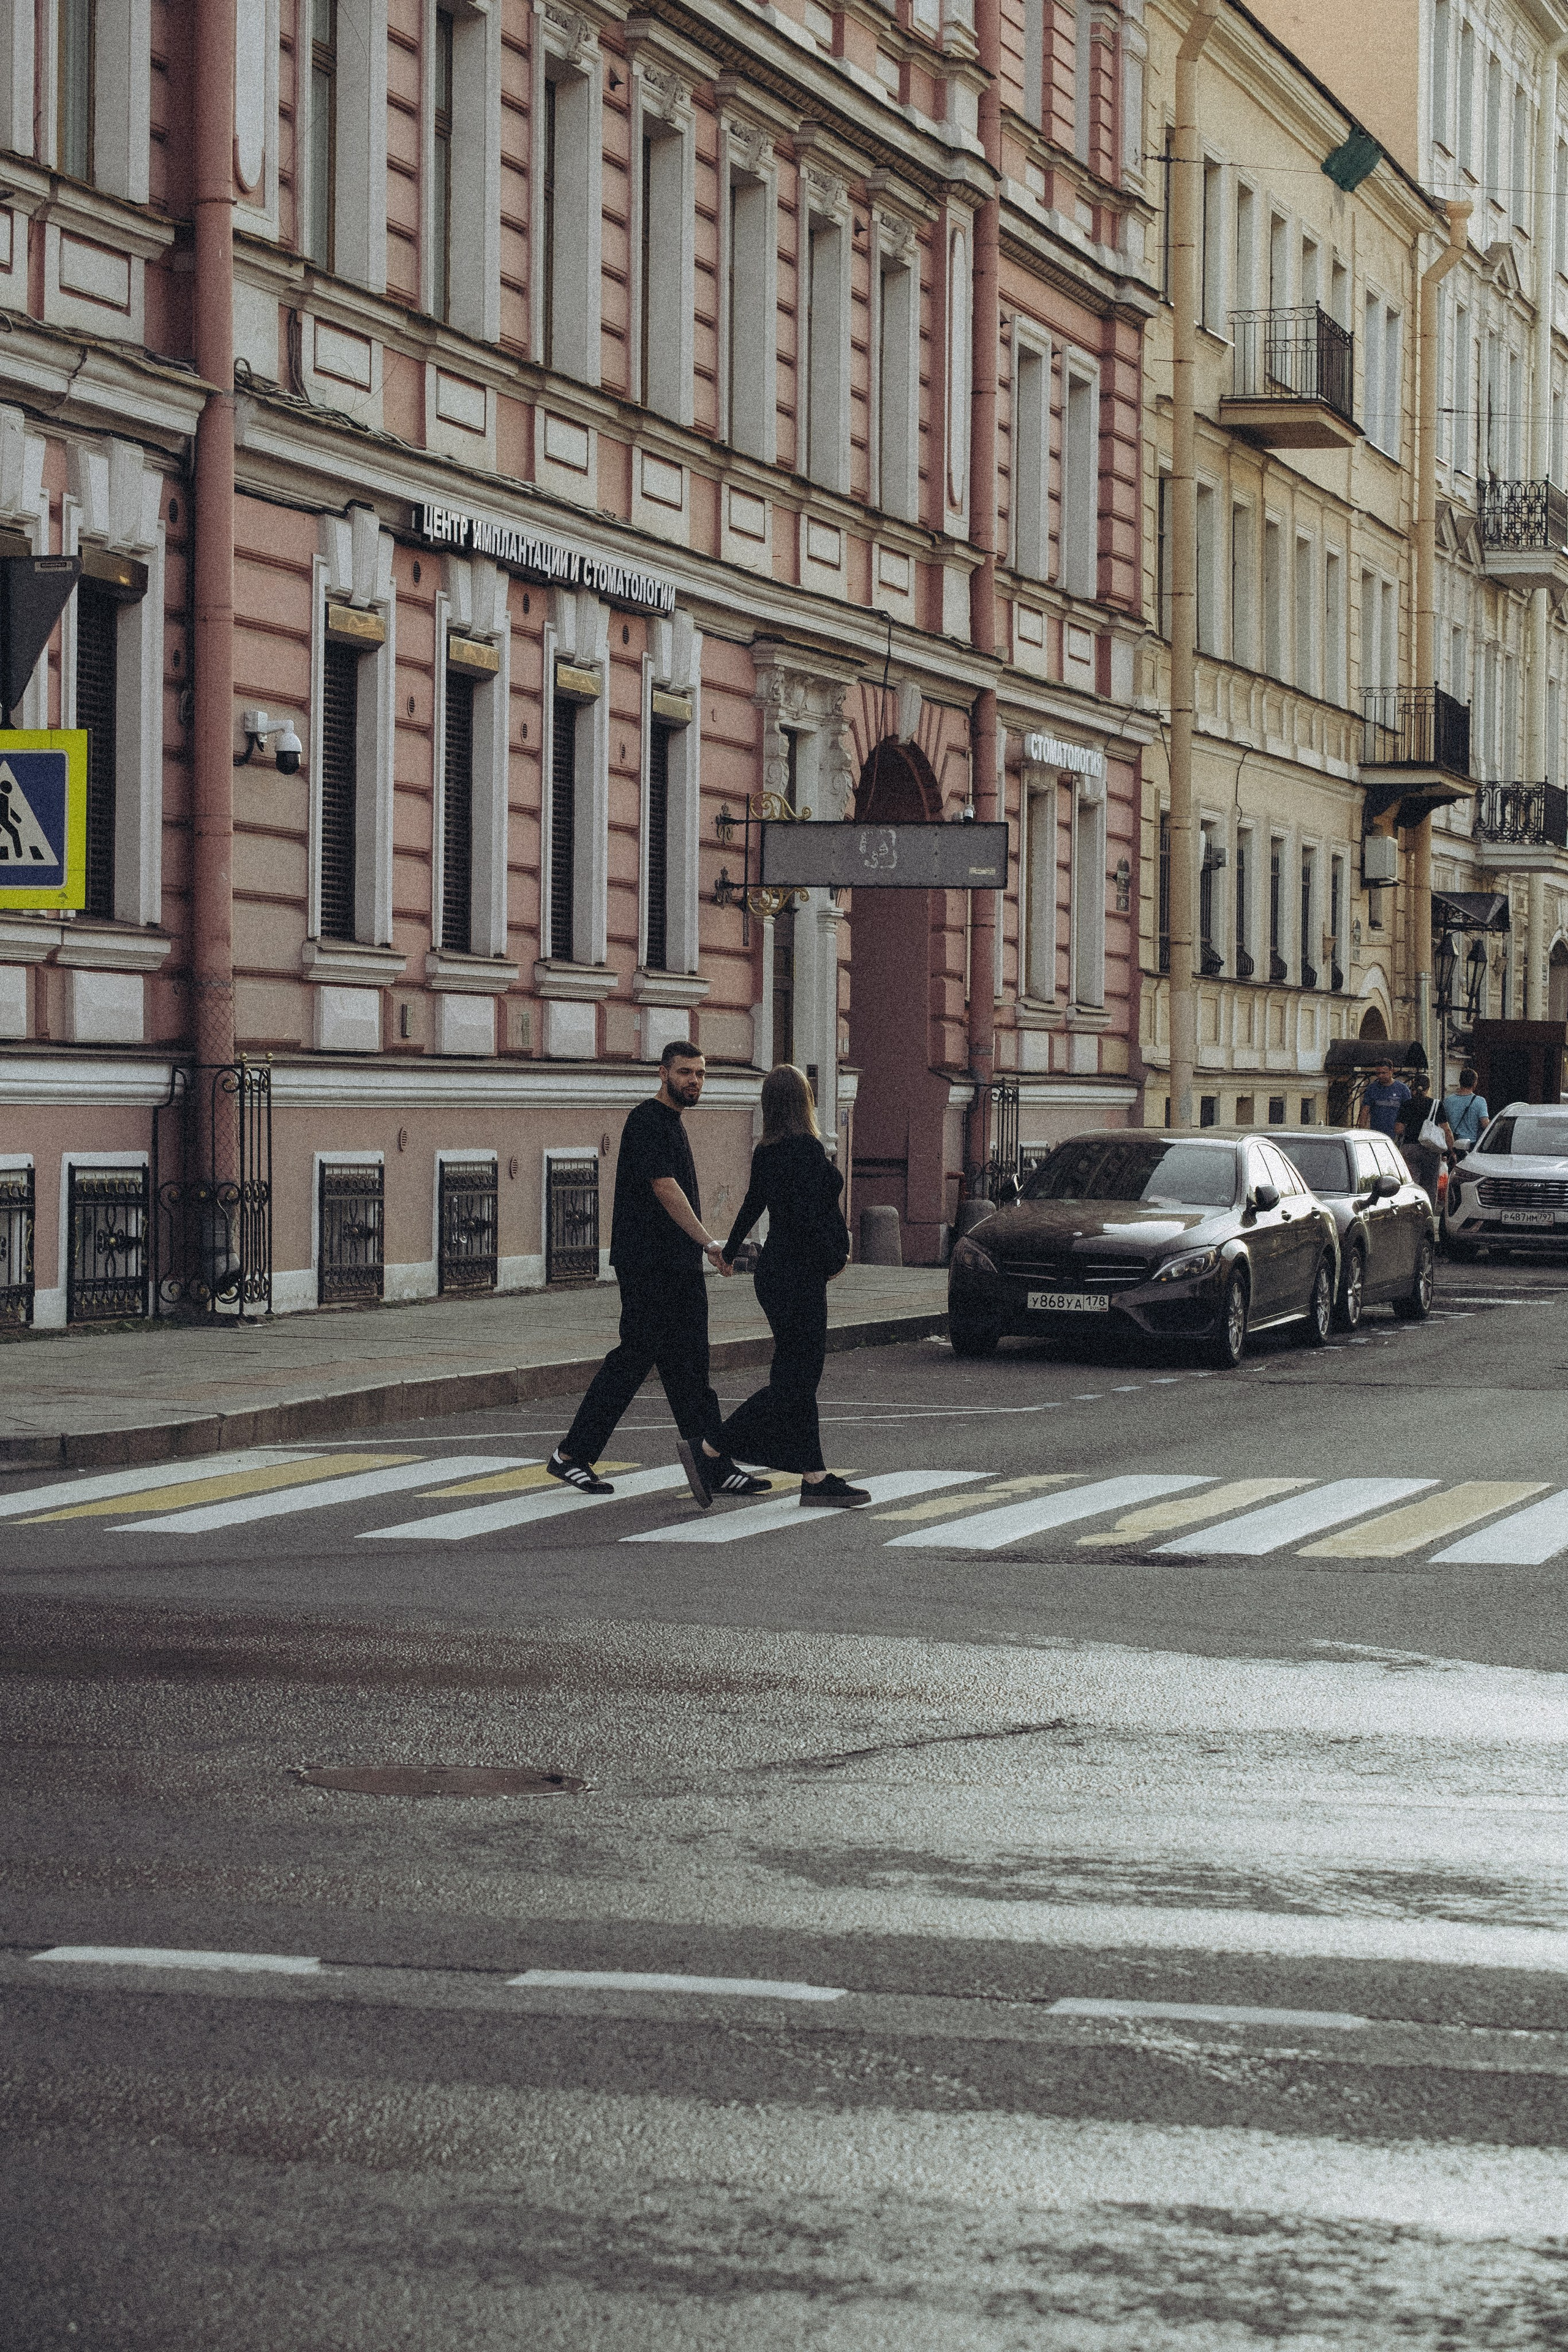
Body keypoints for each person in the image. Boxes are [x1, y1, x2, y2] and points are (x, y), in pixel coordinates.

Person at [546, 1041, 771, 1508]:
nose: (694, 1081)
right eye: (686, 1072)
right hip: (649, 1266)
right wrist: (709, 1241)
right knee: (634, 1359)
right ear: (663, 1073)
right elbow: (664, 1188)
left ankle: (713, 1462)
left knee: (690, 1367)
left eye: (701, 1074)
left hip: (676, 1266)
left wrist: (698, 1248)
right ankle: (571, 1453)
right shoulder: (646, 1120)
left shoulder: (673, 1124)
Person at [714, 1065, 870, 1507]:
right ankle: (713, 1448)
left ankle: (814, 1476)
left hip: (776, 1271)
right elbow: (813, 1218)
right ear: (805, 1102)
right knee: (797, 1380)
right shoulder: (806, 1148)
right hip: (800, 1274)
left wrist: (729, 1252)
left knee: (795, 1377)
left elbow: (752, 1203)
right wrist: (833, 1257)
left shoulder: (767, 1151)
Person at [1439, 1066, 1490, 1156]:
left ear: (1460, 1082)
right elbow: (1485, 1124)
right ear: (1475, 1083)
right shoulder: (1480, 1101)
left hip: (1451, 1144)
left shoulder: (1447, 1101)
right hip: (1470, 1145)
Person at [1359, 1057, 1411, 1140]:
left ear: (1392, 1071)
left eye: (1384, 1073)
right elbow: (1365, 1110)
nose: (1381, 1076)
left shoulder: (1402, 1089)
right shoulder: (1372, 1089)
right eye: (1378, 1073)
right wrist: (1362, 1131)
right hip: (1376, 1135)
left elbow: (1408, 1112)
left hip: (1396, 1136)